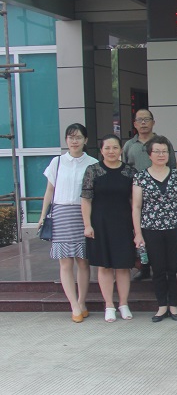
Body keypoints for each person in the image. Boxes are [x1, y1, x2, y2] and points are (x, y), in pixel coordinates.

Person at [39, 123, 98, 323]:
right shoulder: (57, 162)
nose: (74, 141)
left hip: (83, 214)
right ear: (66, 140)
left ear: (85, 140)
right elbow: (49, 191)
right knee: (65, 262)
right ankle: (74, 305)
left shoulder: (92, 163)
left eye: (78, 137)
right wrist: (43, 215)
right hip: (61, 213)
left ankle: (82, 302)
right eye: (71, 137)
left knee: (83, 261)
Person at [132, 135, 177, 322]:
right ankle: (161, 306)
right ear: (150, 154)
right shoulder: (140, 177)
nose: (161, 154)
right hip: (151, 229)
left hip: (176, 227)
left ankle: (173, 305)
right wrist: (138, 233)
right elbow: (136, 206)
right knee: (158, 268)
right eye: (157, 151)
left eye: (164, 151)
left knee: (173, 267)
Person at [81, 134, 138, 323]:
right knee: (104, 266)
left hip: (123, 223)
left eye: (115, 148)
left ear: (121, 150)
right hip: (100, 223)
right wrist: (87, 225)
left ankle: (123, 304)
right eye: (107, 148)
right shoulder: (93, 170)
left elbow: (135, 201)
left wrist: (136, 227)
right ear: (101, 150)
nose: (111, 151)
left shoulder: (129, 171)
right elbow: (86, 200)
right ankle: (109, 305)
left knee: (123, 266)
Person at [124, 108, 177, 281]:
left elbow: (173, 165)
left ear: (153, 122)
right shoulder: (129, 145)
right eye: (140, 120)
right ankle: (144, 266)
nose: (143, 123)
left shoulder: (163, 142)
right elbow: (124, 169)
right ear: (134, 124)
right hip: (137, 195)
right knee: (140, 232)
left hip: (161, 197)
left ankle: (161, 268)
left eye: (147, 119)